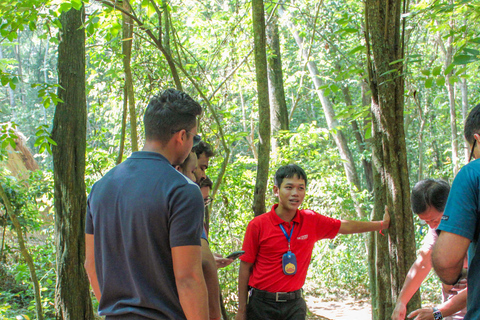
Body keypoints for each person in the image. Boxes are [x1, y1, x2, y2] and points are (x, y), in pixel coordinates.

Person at [84, 89, 209, 320]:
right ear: (181, 136)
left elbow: (91, 264)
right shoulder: (182, 191)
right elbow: (188, 278)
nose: (192, 144)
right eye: (193, 137)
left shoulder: (100, 188)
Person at [236, 164, 390, 320]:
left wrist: (381, 225)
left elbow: (344, 226)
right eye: (289, 187)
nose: (295, 193)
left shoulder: (310, 220)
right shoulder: (257, 225)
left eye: (300, 188)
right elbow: (245, 267)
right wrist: (241, 310)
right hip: (262, 305)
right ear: (276, 190)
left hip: (294, 305)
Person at [391, 179, 467, 320]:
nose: (432, 226)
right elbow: (423, 262)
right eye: (426, 222)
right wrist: (401, 302)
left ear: (451, 205)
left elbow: (476, 287)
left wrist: (438, 312)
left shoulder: (472, 224)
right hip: (453, 309)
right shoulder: (438, 228)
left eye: (435, 220)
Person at [433, 103, 480, 320]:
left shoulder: (471, 175)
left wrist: (455, 276)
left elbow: (446, 262)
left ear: (477, 138)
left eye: (472, 150)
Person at [175, 155, 222, 320]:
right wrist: (216, 316)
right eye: (199, 168)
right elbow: (202, 264)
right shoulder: (186, 206)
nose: (201, 175)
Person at [199, 176, 234, 269]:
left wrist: (209, 257)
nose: (202, 205)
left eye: (205, 201)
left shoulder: (201, 224)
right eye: (199, 200)